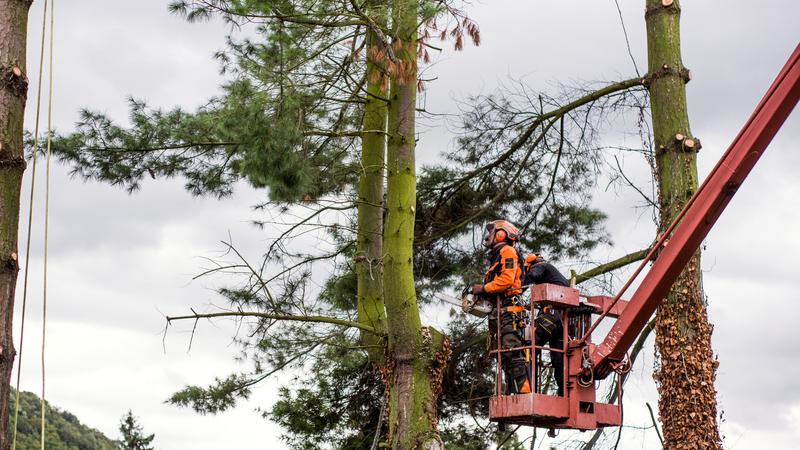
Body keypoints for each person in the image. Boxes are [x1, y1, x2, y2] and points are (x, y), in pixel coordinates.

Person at [471, 220, 530, 395]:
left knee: (511, 348)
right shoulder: (497, 256)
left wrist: (483, 288)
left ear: (501, 234)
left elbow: (506, 280)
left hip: (509, 308)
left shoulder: (507, 251)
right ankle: (511, 392)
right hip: (499, 310)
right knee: (502, 354)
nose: (488, 235)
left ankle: (524, 389)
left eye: (491, 231)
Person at [523, 253, 569, 396]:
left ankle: (528, 390)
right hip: (563, 321)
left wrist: (516, 289)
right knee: (559, 358)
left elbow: (532, 276)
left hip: (551, 316)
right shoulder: (554, 276)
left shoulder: (540, 267)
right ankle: (564, 393)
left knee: (529, 345)